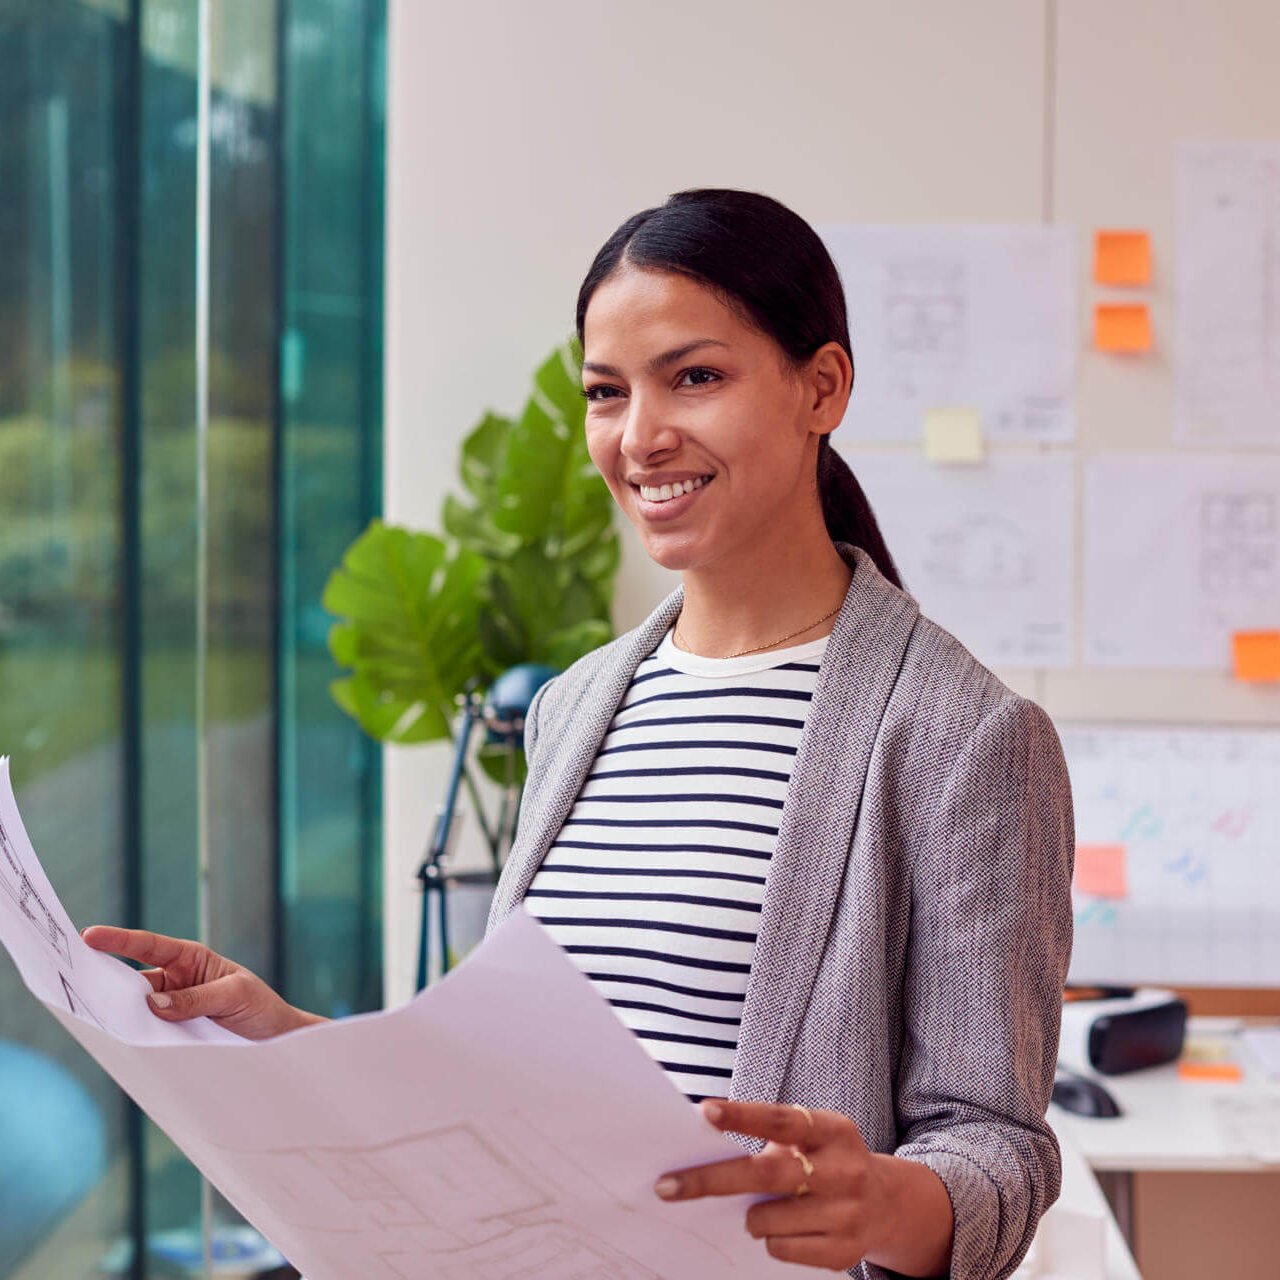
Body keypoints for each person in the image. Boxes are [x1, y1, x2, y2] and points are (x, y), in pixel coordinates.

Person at [85, 189, 1074, 1280]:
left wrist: (879, 1195)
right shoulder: (574, 706)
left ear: (820, 387)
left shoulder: (966, 738)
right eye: (607, 392)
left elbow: (1001, 1151)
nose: (639, 436)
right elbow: (514, 1087)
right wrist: (285, 1035)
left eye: (693, 376)